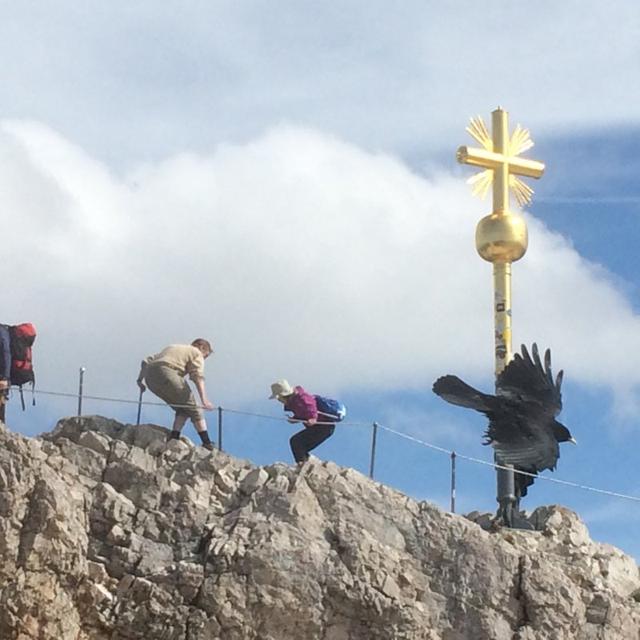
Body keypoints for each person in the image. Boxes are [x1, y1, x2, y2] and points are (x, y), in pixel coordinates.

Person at [137, 339, 215, 450]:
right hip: (168, 373)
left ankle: (175, 436)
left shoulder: (172, 347)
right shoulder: (196, 352)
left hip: (151, 379)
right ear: (202, 348)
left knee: (183, 407)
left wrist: (140, 381)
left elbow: (145, 362)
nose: (204, 359)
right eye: (205, 356)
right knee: (194, 408)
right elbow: (197, 376)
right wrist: (204, 400)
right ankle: (207, 443)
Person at [269, 379, 337, 464]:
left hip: (324, 427)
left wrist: (313, 418)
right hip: (319, 427)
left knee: (296, 442)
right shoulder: (294, 401)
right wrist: (295, 419)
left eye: (278, 398)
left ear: (282, 396)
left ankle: (303, 465)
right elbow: (303, 412)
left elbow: (311, 406)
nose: (279, 401)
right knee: (298, 444)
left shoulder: (301, 398)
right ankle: (307, 462)